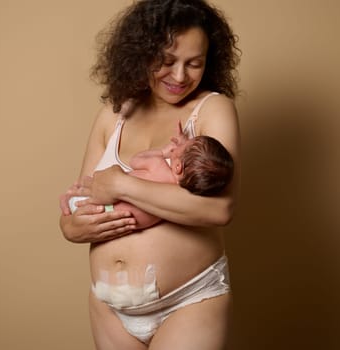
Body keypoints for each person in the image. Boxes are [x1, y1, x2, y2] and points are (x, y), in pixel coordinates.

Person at [59, 0, 241, 348]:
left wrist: (122, 183)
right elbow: (84, 196)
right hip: (109, 306)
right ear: (141, 53)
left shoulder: (211, 110)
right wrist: (70, 227)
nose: (179, 76)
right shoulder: (114, 116)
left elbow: (219, 209)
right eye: (167, 60)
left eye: (194, 64)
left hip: (189, 301)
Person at [65, 119, 234, 230]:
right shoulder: (178, 196)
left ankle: (69, 202)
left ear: (178, 167)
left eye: (185, 144)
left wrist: (162, 152)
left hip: (104, 211)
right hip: (111, 219)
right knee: (77, 201)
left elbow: (135, 161)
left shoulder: (158, 165)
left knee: (75, 199)